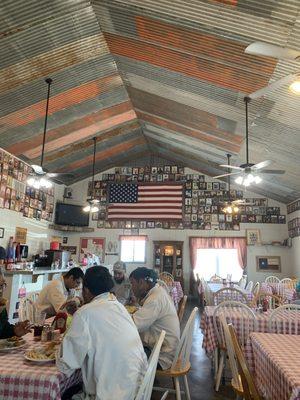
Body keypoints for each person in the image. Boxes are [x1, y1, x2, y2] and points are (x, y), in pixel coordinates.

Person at [57, 266, 148, 400]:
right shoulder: (119, 307)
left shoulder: (84, 314)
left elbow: (65, 365)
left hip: (110, 394)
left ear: (86, 291)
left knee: (65, 393)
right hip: (137, 390)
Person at [130, 267, 180, 370]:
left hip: (162, 356)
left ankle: (141, 384)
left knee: (123, 355)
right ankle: (148, 381)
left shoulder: (155, 299)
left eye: (132, 283)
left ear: (141, 282)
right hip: (166, 348)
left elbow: (133, 325)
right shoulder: (158, 291)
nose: (131, 287)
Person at [0, 273, 30, 339]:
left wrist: (14, 331)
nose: (1, 290)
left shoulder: (1, 305)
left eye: (2, 285)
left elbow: (3, 329)